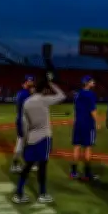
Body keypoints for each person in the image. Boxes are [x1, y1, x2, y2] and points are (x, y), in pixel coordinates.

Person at [12, 74, 66, 204]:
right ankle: (42, 193)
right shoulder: (44, 100)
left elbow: (25, 125)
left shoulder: (27, 102)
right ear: (45, 90)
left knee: (28, 165)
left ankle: (19, 193)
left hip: (31, 138)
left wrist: (24, 141)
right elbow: (62, 96)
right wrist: (51, 82)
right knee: (43, 166)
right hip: (44, 137)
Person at [71, 76, 99, 180]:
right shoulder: (90, 94)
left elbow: (76, 109)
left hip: (78, 123)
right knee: (88, 147)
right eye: (92, 81)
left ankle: (73, 172)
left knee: (77, 146)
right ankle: (87, 173)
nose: (94, 83)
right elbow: (92, 110)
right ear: (87, 83)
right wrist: (97, 122)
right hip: (88, 124)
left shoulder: (78, 94)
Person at [11, 75, 35, 173]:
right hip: (24, 120)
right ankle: (15, 165)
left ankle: (28, 163)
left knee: (27, 143)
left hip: (23, 120)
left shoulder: (23, 93)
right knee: (21, 144)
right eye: (30, 81)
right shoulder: (25, 94)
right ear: (26, 82)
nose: (32, 82)